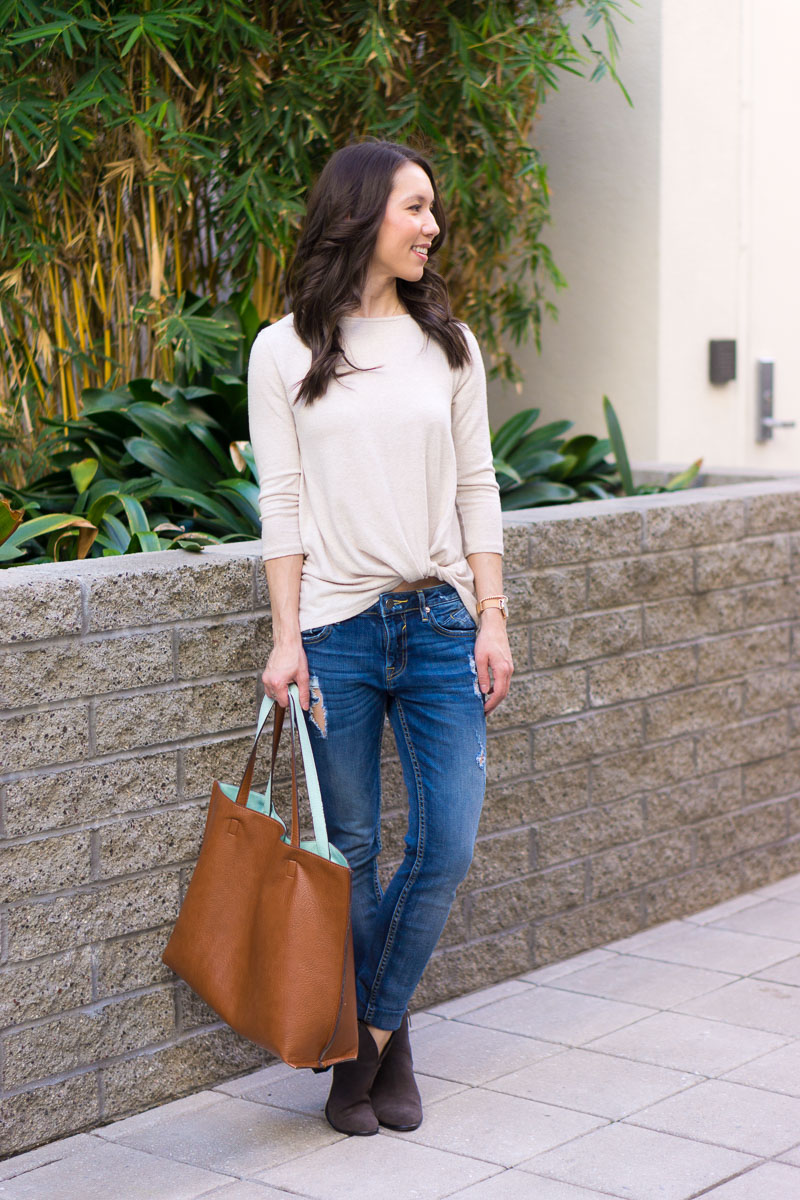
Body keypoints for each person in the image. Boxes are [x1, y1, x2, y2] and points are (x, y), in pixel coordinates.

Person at [247, 140, 513, 1137]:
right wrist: (285, 639)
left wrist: (492, 614)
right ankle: (388, 1059)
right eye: (414, 207)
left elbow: (475, 486)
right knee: (350, 851)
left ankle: (366, 1033)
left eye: (432, 209)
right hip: (337, 632)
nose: (431, 226)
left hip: (440, 620)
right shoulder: (283, 351)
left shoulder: (449, 345)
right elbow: (280, 504)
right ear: (361, 215)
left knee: (443, 843)